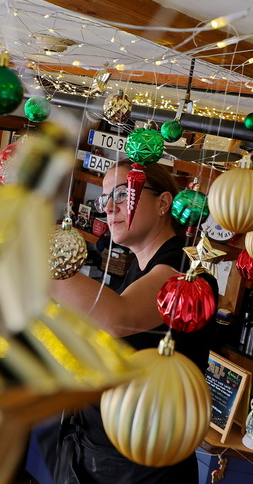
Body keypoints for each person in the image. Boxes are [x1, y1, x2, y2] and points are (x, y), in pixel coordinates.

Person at [40, 158, 218, 484]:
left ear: (164, 202)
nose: (109, 208)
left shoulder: (184, 269)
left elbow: (119, 319)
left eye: (122, 195)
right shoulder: (140, 269)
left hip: (142, 464)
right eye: (104, 199)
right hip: (99, 451)